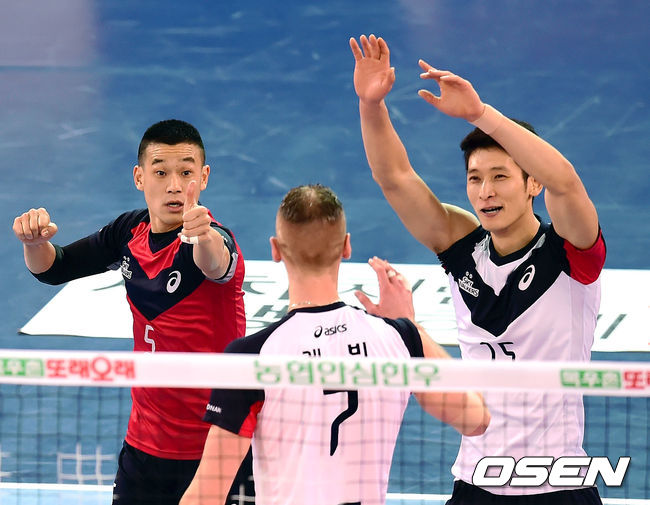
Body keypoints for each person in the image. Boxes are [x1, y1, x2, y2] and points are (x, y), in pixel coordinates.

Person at [350, 34, 606, 504]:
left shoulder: (571, 254)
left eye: (500, 176)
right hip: (475, 484)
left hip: (556, 486)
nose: (485, 191)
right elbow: (395, 178)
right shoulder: (462, 247)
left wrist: (479, 114)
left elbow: (566, 183)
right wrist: (371, 105)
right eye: (475, 178)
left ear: (532, 183)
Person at [180, 184, 490, 505]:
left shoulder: (251, 358)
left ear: (276, 250)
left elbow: (207, 495)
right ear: (346, 246)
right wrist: (411, 327)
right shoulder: (400, 341)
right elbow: (477, 419)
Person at [12, 119, 248, 505]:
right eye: (161, 172)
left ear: (203, 177)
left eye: (186, 172)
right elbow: (55, 268)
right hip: (144, 448)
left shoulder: (214, 239)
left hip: (215, 449)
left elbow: (215, 263)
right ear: (140, 177)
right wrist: (34, 243)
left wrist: (203, 236)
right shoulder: (128, 232)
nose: (175, 185)